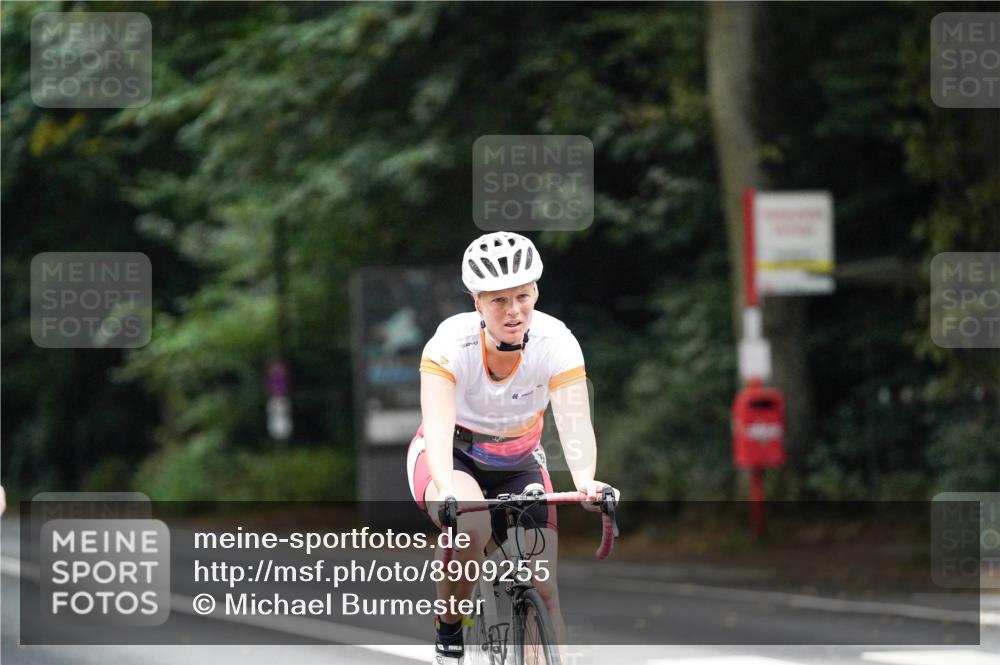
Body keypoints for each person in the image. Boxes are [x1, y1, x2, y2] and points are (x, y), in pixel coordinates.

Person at [405, 231, 617, 664]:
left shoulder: (557, 342)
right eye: (498, 300)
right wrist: (446, 488)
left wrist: (585, 482)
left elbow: (575, 422)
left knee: (545, 589)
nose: (514, 310)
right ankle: (450, 632)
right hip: (452, 455)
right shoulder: (449, 344)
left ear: (536, 291)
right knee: (472, 528)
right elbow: (439, 424)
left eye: (522, 296)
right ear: (477, 302)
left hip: (518, 460)